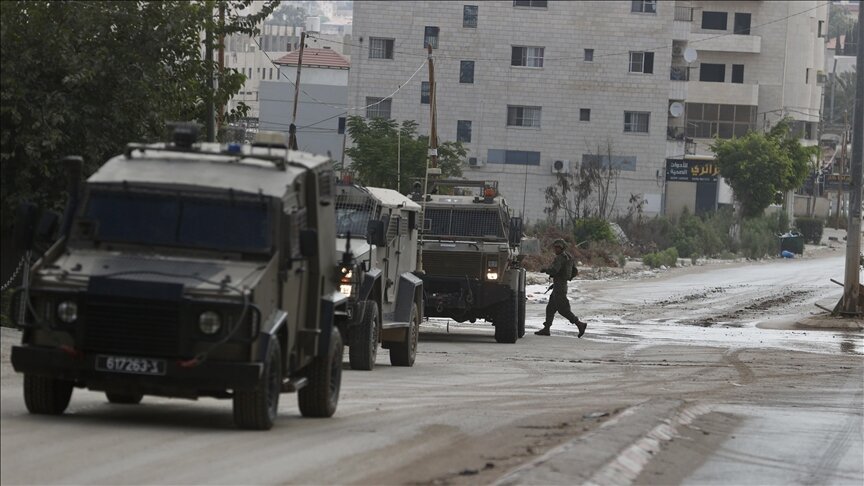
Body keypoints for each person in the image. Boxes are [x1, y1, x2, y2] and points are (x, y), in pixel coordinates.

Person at [535, 239, 588, 337]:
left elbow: (554, 270)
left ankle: (579, 324)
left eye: (558, 247)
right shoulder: (568, 257)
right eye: (555, 247)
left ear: (562, 248)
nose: (556, 249)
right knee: (550, 308)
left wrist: (546, 270)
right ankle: (546, 328)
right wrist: (562, 279)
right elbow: (574, 271)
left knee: (563, 309)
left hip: (560, 287)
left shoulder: (560, 258)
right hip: (560, 285)